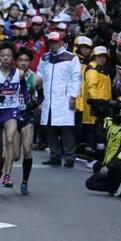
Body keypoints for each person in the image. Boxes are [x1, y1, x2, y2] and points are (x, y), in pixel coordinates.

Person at [38, 31, 82, 168]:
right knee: (50, 128)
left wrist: (73, 96)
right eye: (50, 42)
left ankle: (69, 156)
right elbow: (39, 77)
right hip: (48, 99)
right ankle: (54, 155)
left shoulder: (71, 58)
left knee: (66, 128)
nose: (53, 44)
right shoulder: (44, 58)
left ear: (61, 42)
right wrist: (38, 96)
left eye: (55, 42)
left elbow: (77, 78)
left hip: (64, 98)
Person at [0, 41, 24, 188]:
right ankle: (0, 162)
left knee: (10, 140)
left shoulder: (19, 73)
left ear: (13, 57)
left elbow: (25, 89)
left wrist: (25, 101)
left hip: (11, 111)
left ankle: (7, 176)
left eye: (9, 55)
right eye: (3, 56)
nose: (6, 58)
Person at [13, 47, 44, 195]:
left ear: (30, 62)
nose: (23, 63)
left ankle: (24, 182)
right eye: (20, 60)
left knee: (27, 150)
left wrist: (34, 104)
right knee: (15, 155)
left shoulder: (36, 78)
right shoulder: (10, 76)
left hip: (27, 116)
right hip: (12, 116)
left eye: (26, 60)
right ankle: (3, 166)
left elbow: (41, 96)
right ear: (16, 61)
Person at [82, 45, 112, 160]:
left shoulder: (103, 69)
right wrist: (97, 102)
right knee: (93, 131)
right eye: (99, 56)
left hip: (102, 105)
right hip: (95, 106)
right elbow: (91, 86)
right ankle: (90, 156)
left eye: (104, 56)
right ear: (94, 57)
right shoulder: (93, 69)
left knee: (98, 130)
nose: (102, 59)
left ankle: (94, 154)